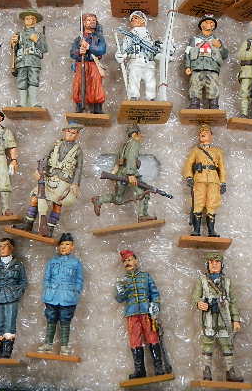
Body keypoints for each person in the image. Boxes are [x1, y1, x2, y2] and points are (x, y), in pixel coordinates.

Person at [13, 122, 83, 237]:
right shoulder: (56, 145)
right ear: (64, 132)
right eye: (69, 132)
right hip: (48, 177)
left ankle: (49, 229)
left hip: (64, 180)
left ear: (78, 135)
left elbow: (79, 168)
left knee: (57, 203)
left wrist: (75, 184)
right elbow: (46, 157)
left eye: (74, 133)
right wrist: (39, 170)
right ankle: (28, 223)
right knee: (35, 198)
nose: (71, 135)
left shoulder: (78, 151)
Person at [192, 252, 243, 382]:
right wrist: (199, 303)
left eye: (217, 262)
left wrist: (236, 320)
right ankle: (206, 371)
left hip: (224, 318)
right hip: (209, 317)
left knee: (227, 344)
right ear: (207, 264)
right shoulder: (202, 280)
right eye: (211, 262)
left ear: (222, 265)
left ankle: (230, 371)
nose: (214, 265)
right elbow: (195, 297)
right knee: (207, 344)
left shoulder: (227, 282)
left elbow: (233, 302)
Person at [115, 249, 165, 379]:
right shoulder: (122, 281)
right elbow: (119, 299)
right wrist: (122, 291)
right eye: (125, 261)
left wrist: (155, 305)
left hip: (146, 312)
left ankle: (158, 367)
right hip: (132, 314)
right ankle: (140, 370)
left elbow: (154, 293)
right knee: (135, 341)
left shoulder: (145, 276)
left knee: (152, 337)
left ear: (136, 261)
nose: (127, 262)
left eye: (129, 259)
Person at [91, 124, 155, 222]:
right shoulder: (135, 143)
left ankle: (99, 200)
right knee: (143, 192)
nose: (141, 136)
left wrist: (114, 174)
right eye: (140, 134)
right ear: (136, 134)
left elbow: (118, 161)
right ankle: (143, 215)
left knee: (118, 199)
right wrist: (131, 174)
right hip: (129, 174)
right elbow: (131, 157)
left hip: (121, 174)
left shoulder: (124, 145)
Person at [37, 233, 83, 356]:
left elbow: (79, 280)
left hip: (68, 297)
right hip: (52, 296)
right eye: (62, 244)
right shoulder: (52, 262)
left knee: (65, 320)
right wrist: (48, 288)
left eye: (67, 244)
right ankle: (48, 344)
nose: (64, 247)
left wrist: (76, 291)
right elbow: (47, 277)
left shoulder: (76, 263)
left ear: (72, 247)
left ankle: (64, 346)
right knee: (51, 319)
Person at [0, 237, 27, 359]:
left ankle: (7, 350)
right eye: (1, 246)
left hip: (11, 296)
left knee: (10, 322)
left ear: (12, 248)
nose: (2, 249)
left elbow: (23, 281)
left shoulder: (18, 265)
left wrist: (17, 292)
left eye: (5, 246)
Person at [182, 124, 226, 237]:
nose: (203, 133)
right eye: (201, 132)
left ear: (211, 135)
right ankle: (196, 230)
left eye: (206, 132)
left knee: (212, 203)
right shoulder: (195, 150)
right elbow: (188, 164)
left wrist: (223, 182)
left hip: (213, 180)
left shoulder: (217, 151)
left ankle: (211, 231)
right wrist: (189, 176)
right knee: (198, 203)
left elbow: (222, 168)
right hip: (199, 179)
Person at [184, 15, 228, 109]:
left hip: (212, 67)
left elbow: (224, 55)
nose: (209, 24)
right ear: (201, 25)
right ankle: (194, 104)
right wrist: (187, 66)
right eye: (206, 22)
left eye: (211, 23)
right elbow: (187, 53)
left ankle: (214, 105)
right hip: (197, 66)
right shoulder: (194, 39)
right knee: (195, 84)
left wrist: (220, 47)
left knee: (213, 85)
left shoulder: (217, 40)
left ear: (214, 26)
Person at [11, 9, 48, 108]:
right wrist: (13, 43)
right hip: (21, 60)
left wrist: (37, 40)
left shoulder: (39, 35)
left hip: (34, 60)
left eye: (31, 18)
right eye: (27, 18)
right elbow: (14, 49)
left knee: (33, 80)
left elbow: (44, 49)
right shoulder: (19, 34)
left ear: (35, 21)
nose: (29, 20)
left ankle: (33, 102)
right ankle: (22, 102)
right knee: (21, 80)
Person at [70, 13, 106, 114]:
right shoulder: (78, 39)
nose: (92, 22)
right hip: (81, 64)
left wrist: (89, 47)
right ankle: (79, 105)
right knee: (79, 84)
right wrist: (79, 52)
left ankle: (97, 107)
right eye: (89, 20)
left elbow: (102, 50)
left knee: (96, 84)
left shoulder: (99, 37)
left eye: (94, 20)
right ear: (84, 23)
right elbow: (72, 53)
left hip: (93, 63)